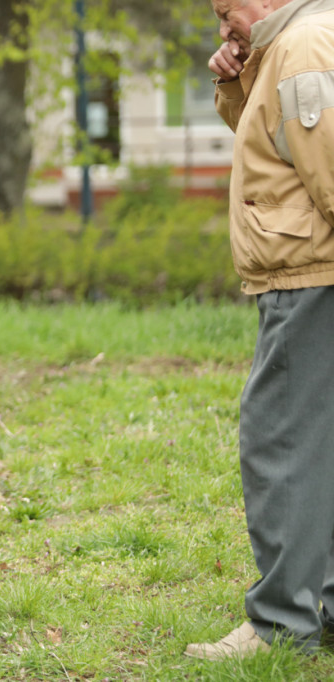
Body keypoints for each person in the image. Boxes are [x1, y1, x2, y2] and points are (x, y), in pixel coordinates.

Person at [186, 0, 334, 660]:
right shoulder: (290, 44)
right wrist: (235, 79)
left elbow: (328, 165)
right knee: (319, 445)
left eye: (226, 11)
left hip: (310, 277)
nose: (223, 28)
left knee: (280, 440)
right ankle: (321, 604)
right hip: (309, 271)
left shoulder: (302, 46)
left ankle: (281, 626)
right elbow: (270, 138)